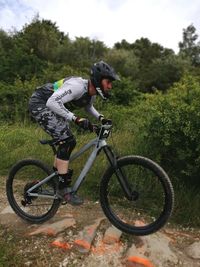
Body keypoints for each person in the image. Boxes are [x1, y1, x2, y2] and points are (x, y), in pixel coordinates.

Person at [29, 60, 120, 205]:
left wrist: (100, 118)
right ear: (98, 79)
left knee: (66, 140)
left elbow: (88, 107)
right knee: (68, 140)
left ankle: (55, 180)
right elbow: (52, 102)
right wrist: (75, 118)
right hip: (41, 103)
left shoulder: (91, 92)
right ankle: (63, 188)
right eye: (108, 81)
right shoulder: (77, 86)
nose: (110, 86)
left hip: (55, 106)